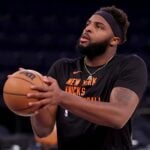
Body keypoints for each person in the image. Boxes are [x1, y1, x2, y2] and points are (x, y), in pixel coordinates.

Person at [27, 5, 148, 150]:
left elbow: (118, 116)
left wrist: (61, 97)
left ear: (114, 40)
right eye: (88, 24)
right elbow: (43, 131)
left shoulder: (129, 65)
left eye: (99, 26)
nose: (88, 29)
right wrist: (34, 97)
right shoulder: (62, 68)